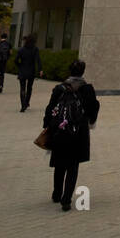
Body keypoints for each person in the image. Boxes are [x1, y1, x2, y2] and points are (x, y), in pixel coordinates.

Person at [43, 59, 99, 211]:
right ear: (83, 71)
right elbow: (93, 108)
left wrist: (47, 126)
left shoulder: (60, 88)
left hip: (60, 130)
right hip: (77, 131)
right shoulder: (87, 89)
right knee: (73, 165)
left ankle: (56, 193)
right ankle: (66, 199)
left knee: (59, 162)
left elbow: (50, 109)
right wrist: (91, 121)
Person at [15, 33, 43, 111]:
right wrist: (40, 69)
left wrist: (20, 65)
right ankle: (27, 102)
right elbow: (38, 60)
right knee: (29, 88)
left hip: (22, 71)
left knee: (22, 88)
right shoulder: (35, 49)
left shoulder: (21, 50)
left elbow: (16, 60)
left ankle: (23, 104)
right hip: (31, 71)